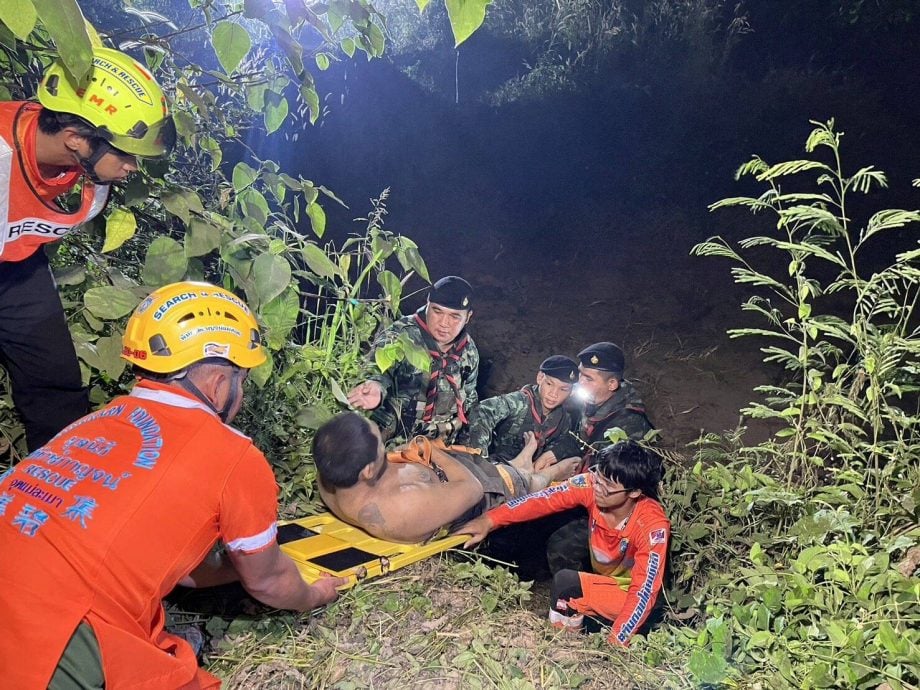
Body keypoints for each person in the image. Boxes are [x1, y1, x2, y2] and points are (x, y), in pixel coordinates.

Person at [0, 281, 346, 689]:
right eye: (243, 381)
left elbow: (180, 567)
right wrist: (315, 594)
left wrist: (237, 570)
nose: (243, 396)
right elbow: (268, 582)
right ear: (219, 383)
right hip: (50, 632)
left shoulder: (101, 421)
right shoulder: (232, 456)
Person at [0, 46, 176, 451]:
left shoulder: (72, 155)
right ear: (76, 139)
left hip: (17, 266)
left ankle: (59, 481)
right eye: (126, 154)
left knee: (56, 384)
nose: (133, 166)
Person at [457, 441, 669, 646]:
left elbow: (644, 591)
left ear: (634, 492)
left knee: (572, 587)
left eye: (608, 486)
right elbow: (542, 500)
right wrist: (490, 520)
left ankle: (603, 630)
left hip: (631, 595)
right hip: (606, 580)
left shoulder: (651, 525)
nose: (598, 487)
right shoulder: (591, 485)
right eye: (598, 476)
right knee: (565, 582)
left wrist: (615, 644)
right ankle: (568, 639)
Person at [312, 412, 581, 544]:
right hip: (478, 490)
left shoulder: (330, 473)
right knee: (525, 482)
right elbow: (473, 489)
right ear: (368, 471)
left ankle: (522, 458)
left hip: (450, 473)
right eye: (380, 444)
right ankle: (550, 471)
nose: (384, 440)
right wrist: (435, 452)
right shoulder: (398, 508)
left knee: (499, 465)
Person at [546, 341, 656, 574]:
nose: (579, 383)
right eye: (581, 375)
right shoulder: (595, 402)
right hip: (593, 489)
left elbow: (606, 481)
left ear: (612, 384)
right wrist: (552, 455)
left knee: (562, 544)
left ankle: (576, 602)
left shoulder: (628, 423)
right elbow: (579, 438)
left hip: (616, 507)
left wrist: (561, 483)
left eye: (588, 379)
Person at [347, 276, 479, 444]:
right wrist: (375, 387)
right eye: (437, 311)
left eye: (455, 317)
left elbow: (470, 399)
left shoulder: (469, 350)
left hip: (440, 444)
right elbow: (376, 370)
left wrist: (469, 445)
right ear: (427, 306)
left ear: (468, 317)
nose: (444, 323)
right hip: (394, 441)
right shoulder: (401, 334)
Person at [464, 355, 579, 467]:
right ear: (540, 378)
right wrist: (480, 459)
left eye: (563, 389)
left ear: (572, 392)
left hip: (527, 473)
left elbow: (566, 443)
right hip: (497, 466)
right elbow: (482, 411)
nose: (554, 394)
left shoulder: (564, 419)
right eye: (549, 384)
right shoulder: (519, 402)